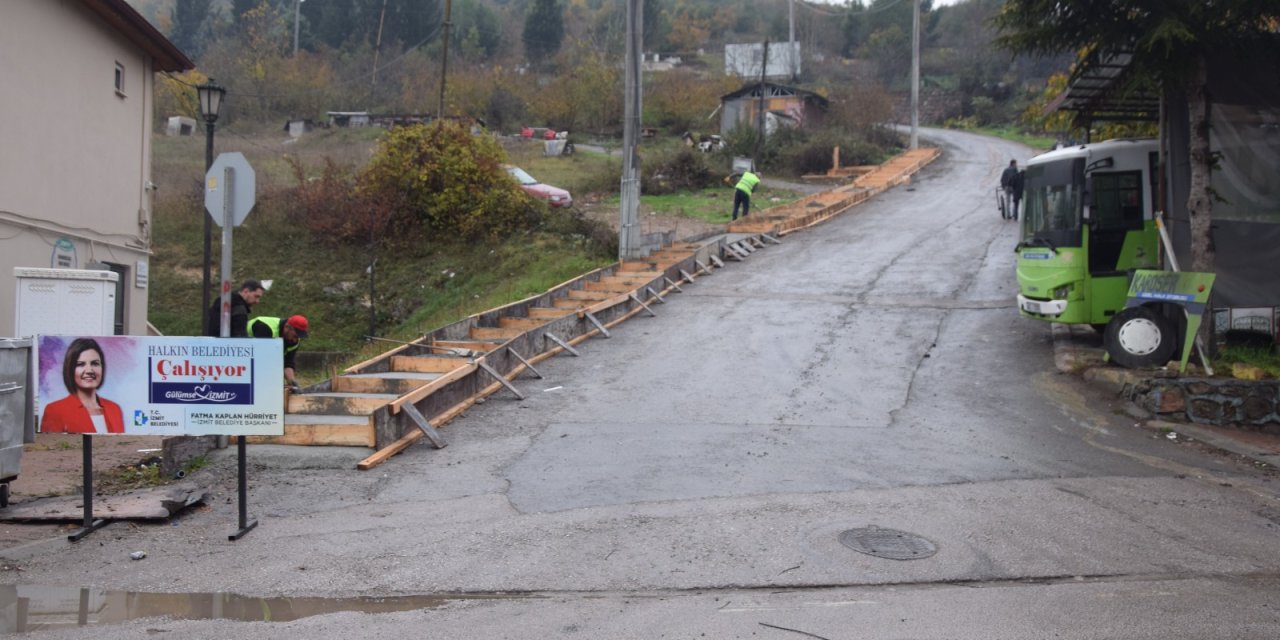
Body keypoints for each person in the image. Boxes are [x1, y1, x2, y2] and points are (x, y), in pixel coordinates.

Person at [40, 338, 124, 434]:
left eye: (95, 363)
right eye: (81, 364)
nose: (89, 370)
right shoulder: (55, 410)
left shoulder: (115, 409)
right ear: (70, 369)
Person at [248, 314, 309, 391]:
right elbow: (262, 360)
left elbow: (288, 363)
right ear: (287, 327)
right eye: (295, 336)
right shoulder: (265, 328)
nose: (295, 340)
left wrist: (292, 383)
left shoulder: (293, 341)